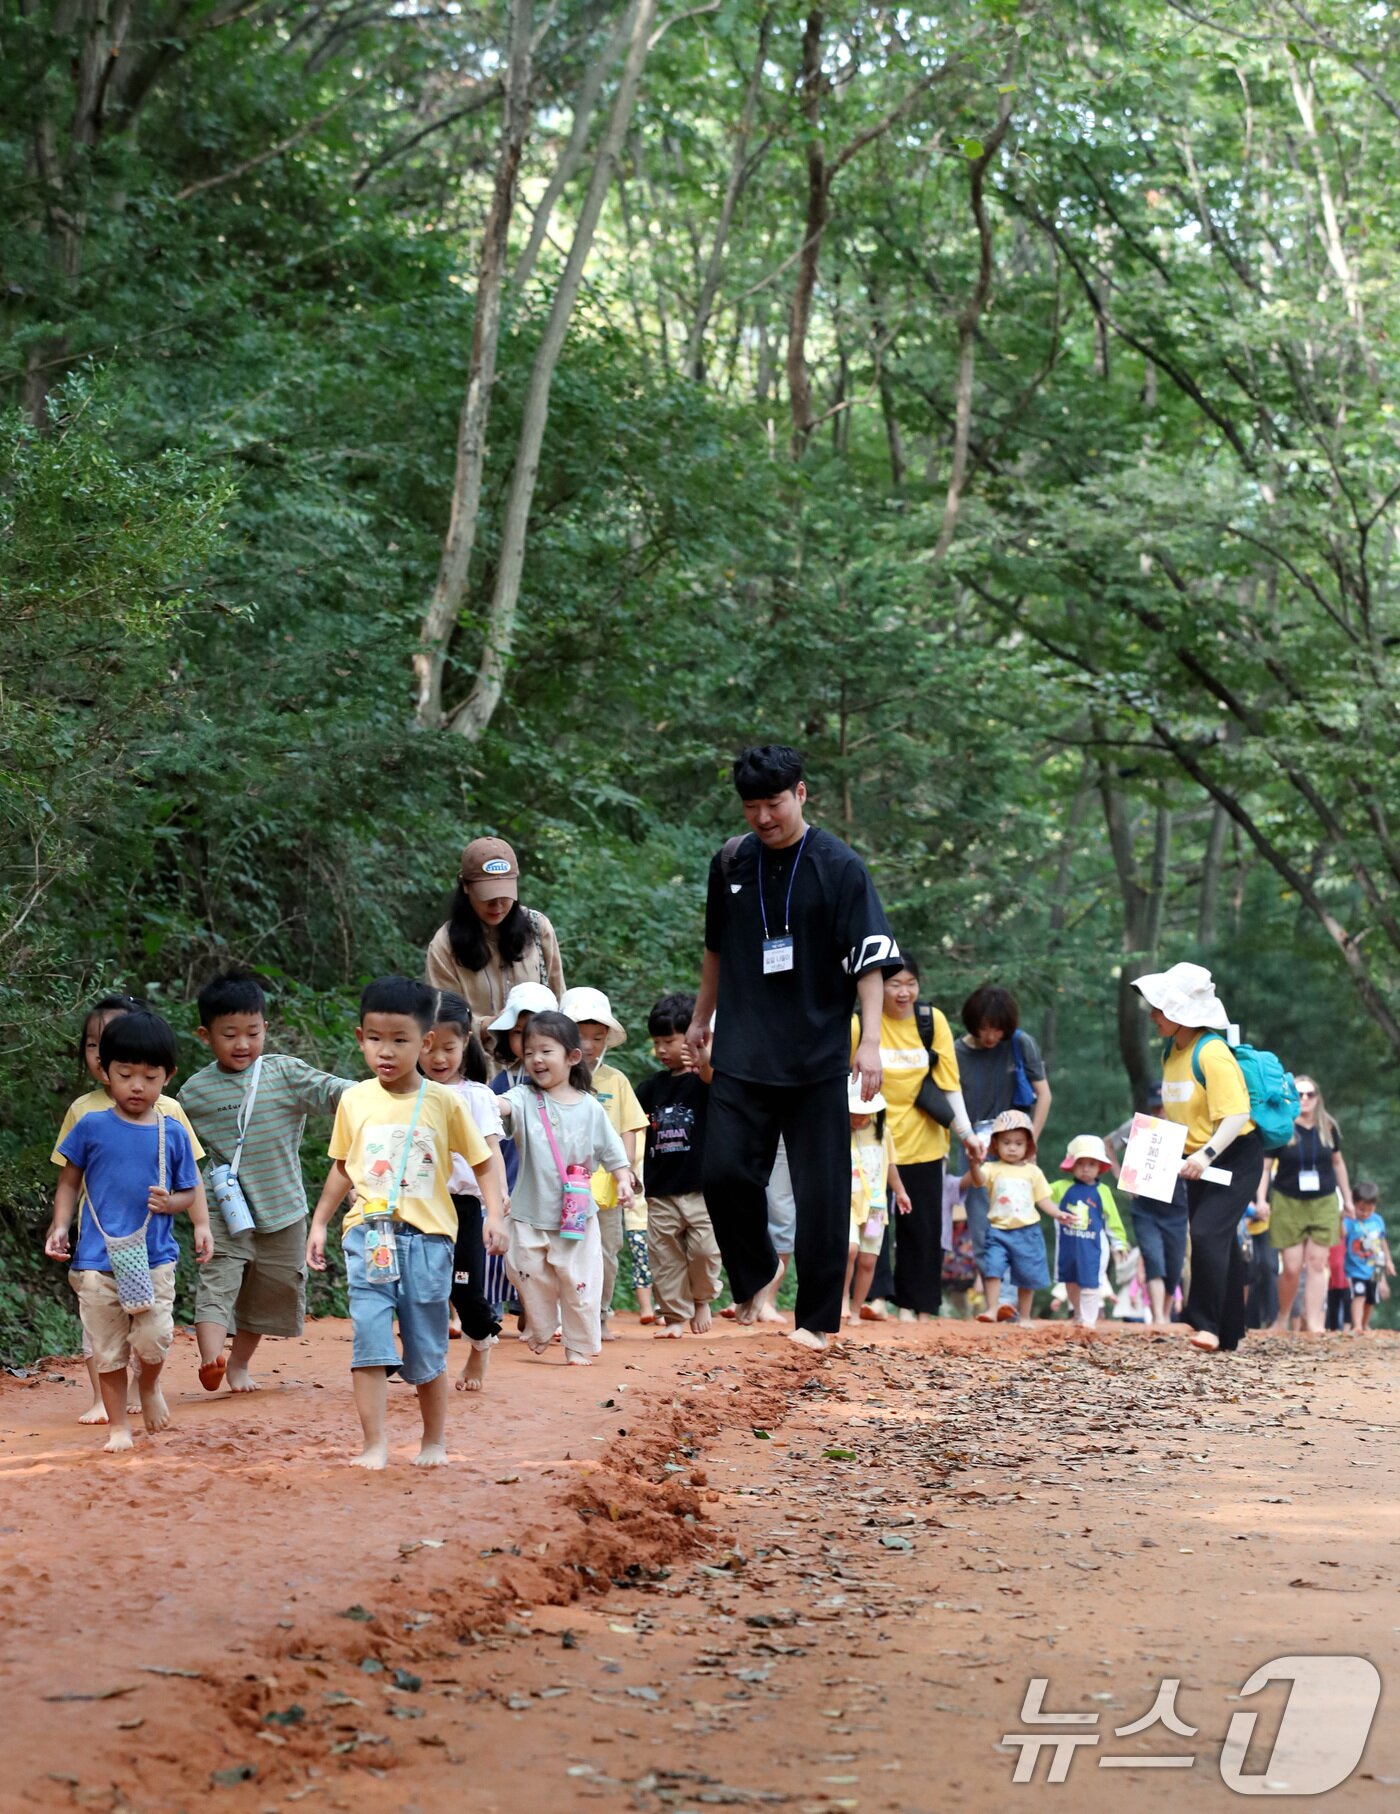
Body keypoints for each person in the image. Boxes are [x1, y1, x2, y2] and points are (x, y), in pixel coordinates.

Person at [687, 745, 898, 1353]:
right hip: (744, 1049)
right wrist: (703, 1018)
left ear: (801, 794)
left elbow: (870, 962)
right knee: (724, 1172)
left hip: (816, 1054)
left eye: (773, 803)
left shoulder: (839, 866)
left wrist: (872, 1043)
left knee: (822, 1192)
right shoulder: (729, 863)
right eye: (751, 806)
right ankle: (756, 1273)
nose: (762, 817)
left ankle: (816, 1320)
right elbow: (715, 951)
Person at [307, 977, 503, 1469]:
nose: (386, 1052)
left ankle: (433, 1440)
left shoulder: (444, 1102)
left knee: (425, 1343)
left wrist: (495, 1213)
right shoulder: (355, 1100)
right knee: (370, 1338)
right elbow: (341, 1166)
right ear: (360, 1038)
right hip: (368, 1235)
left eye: (400, 1040)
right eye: (375, 1039)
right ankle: (374, 1445)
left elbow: (482, 1161)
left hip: (429, 1241)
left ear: (426, 1042)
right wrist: (319, 1223)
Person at [45, 1009, 213, 1452]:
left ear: (168, 1076)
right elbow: (68, 1182)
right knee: (107, 1348)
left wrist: (174, 1204)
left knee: (155, 1336)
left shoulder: (171, 1131)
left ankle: (151, 1385)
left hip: (154, 1256)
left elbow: (189, 1189)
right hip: (98, 1260)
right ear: (106, 1072)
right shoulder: (90, 1126)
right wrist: (61, 1225)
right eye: (125, 1074)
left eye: (150, 1076)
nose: (137, 1086)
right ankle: (119, 1425)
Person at [181, 971, 353, 1394]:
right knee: (217, 1280)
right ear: (205, 1035)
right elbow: (169, 1142)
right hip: (224, 1208)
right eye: (229, 1034)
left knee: (267, 1295)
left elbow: (338, 1093)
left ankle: (237, 1365)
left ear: (266, 1029)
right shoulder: (193, 1093)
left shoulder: (286, 1074)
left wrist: (390, 1090)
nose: (242, 1044)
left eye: (252, 1033)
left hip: (284, 1209)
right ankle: (210, 1359)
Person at [1132, 961, 1264, 1355]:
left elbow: (1237, 1114)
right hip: (1196, 1157)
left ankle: (1203, 1323)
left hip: (1234, 1155)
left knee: (1206, 1234)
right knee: (1215, 1239)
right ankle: (1229, 1332)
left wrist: (1206, 1155)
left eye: (1159, 1008)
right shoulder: (1171, 1052)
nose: (1153, 1016)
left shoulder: (1213, 1053)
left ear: (1179, 1012)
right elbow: (1177, 1114)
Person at [496, 1010, 632, 1364]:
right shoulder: (524, 1098)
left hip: (576, 1218)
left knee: (579, 1284)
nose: (536, 1060)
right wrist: (480, 1098)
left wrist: (623, 1181)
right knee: (527, 1273)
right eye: (529, 1053)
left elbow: (612, 1150)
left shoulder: (590, 1107)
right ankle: (542, 1326)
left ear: (573, 1057)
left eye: (545, 1051)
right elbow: (503, 1106)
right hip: (528, 1212)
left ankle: (579, 1345)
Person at [856, 959, 973, 1323]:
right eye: (894, 984)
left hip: (925, 1142)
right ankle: (872, 1297)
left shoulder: (930, 1021)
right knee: (872, 1220)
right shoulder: (859, 1025)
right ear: (876, 988)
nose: (904, 992)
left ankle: (918, 1305)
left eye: (911, 983)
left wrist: (967, 1134)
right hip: (872, 1145)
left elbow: (949, 1083)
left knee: (922, 1228)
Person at [420, 990, 509, 1393]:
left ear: (466, 1044)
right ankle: (421, 1360)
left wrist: (497, 1213)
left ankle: (481, 1344)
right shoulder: (407, 1094)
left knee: (465, 1288)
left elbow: (491, 1154)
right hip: (416, 1204)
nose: (439, 1058)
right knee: (416, 1286)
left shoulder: (477, 1096)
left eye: (449, 1048)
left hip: (464, 1207)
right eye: (429, 1047)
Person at [425, 838, 566, 1069]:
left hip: (539, 1070)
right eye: (487, 896)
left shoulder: (538, 928)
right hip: (475, 1071)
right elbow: (442, 1017)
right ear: (466, 887)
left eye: (504, 894)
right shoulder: (445, 945)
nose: (497, 904)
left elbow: (559, 1000)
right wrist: (485, 1024)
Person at [560, 986, 647, 1342]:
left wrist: (625, 1173)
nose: (591, 1044)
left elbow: (628, 1127)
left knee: (606, 1252)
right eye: (582, 1035)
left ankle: (600, 1314)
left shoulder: (616, 1080)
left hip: (606, 1188)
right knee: (563, 1250)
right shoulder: (554, 1080)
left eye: (598, 1036)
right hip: (564, 1185)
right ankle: (562, 1315)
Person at [638, 991, 723, 1337]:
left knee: (705, 1249)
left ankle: (702, 1299)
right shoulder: (650, 1088)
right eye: (657, 1042)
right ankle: (674, 1316)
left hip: (701, 1187)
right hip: (660, 1188)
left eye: (669, 1041)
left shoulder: (705, 1081)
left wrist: (703, 1053)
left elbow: (714, 1074)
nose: (661, 1050)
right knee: (665, 1255)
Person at [953, 984, 1052, 1276]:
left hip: (1015, 1144)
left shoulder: (1020, 1044)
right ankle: (995, 1296)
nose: (991, 1036)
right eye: (985, 1028)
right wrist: (965, 1137)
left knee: (1019, 1216)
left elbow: (1044, 1095)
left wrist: (1030, 1141)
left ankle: (1014, 1294)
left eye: (998, 1029)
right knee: (982, 1221)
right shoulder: (957, 1053)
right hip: (975, 1146)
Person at [1254, 1074, 1353, 1336]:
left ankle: (1314, 1323)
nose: (1305, 1099)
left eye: (1310, 1094)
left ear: (1317, 1098)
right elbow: (1265, 1168)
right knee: (1292, 1266)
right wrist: (1261, 1199)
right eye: (1299, 1094)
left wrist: (1349, 1200)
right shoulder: (1281, 1128)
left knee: (1317, 1262)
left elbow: (1337, 1163)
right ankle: (1282, 1319)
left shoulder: (1328, 1126)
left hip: (1323, 1201)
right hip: (1288, 1200)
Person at [485, 982, 557, 1321]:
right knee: (498, 1242)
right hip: (508, 1174)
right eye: (518, 1032)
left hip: (549, 1182)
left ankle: (534, 1309)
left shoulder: (564, 1083)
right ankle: (490, 1308)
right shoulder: (502, 1081)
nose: (527, 1041)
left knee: (544, 1249)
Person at [967, 1110, 1072, 1323]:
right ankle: (992, 1309)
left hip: (1027, 1231)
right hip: (998, 1230)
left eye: (1018, 1143)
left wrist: (1058, 1213)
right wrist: (973, 1164)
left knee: (1027, 1276)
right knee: (993, 1269)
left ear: (1028, 1146)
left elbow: (1043, 1200)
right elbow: (978, 1181)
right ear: (995, 1144)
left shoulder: (1033, 1172)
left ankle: (1024, 1317)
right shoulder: (991, 1168)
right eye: (1006, 1142)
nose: (1012, 1148)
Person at [845, 1082, 910, 1322]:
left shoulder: (883, 1134)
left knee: (868, 1259)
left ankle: (855, 1310)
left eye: (862, 1113)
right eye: (853, 1113)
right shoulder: (839, 1131)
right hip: (847, 1203)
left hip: (875, 1207)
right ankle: (842, 1301)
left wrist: (901, 1192)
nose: (857, 1118)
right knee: (849, 1250)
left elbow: (889, 1165)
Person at [1048, 1136, 1128, 1326]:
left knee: (1091, 1282)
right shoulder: (1061, 1188)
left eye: (1091, 1164)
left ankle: (1089, 1321)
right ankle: (1077, 1314)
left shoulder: (1104, 1191)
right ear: (1072, 1165)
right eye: (1080, 1163)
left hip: (1094, 1247)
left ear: (1100, 1166)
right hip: (1067, 1246)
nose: (1085, 1169)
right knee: (1071, 1281)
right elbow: (1039, 1193)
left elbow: (1112, 1220)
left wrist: (1119, 1243)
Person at [1343, 1182, 1393, 1334]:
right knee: (1359, 1295)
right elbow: (1342, 1234)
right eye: (1361, 1209)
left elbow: (1382, 1242)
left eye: (1369, 1210)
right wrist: (1341, 1217)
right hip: (1355, 1267)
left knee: (1371, 1298)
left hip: (1375, 1266)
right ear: (1354, 1204)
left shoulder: (1377, 1221)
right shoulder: (1350, 1221)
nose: (1365, 1213)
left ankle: (1365, 1324)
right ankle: (1357, 1325)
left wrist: (1388, 1262)